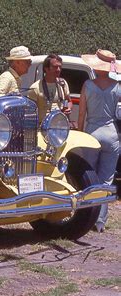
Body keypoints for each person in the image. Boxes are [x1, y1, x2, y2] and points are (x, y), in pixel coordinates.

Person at [78, 49, 121, 232]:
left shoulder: (87, 85)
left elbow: (81, 115)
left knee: (89, 178)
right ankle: (100, 221)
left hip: (92, 134)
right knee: (106, 180)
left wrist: (79, 133)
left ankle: (87, 216)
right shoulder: (118, 87)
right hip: (111, 134)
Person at [28, 54, 72, 124]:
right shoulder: (35, 88)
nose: (58, 69)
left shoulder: (62, 84)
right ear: (46, 68)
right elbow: (30, 112)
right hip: (42, 127)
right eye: (55, 67)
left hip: (59, 126)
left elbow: (69, 101)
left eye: (60, 67)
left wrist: (69, 108)